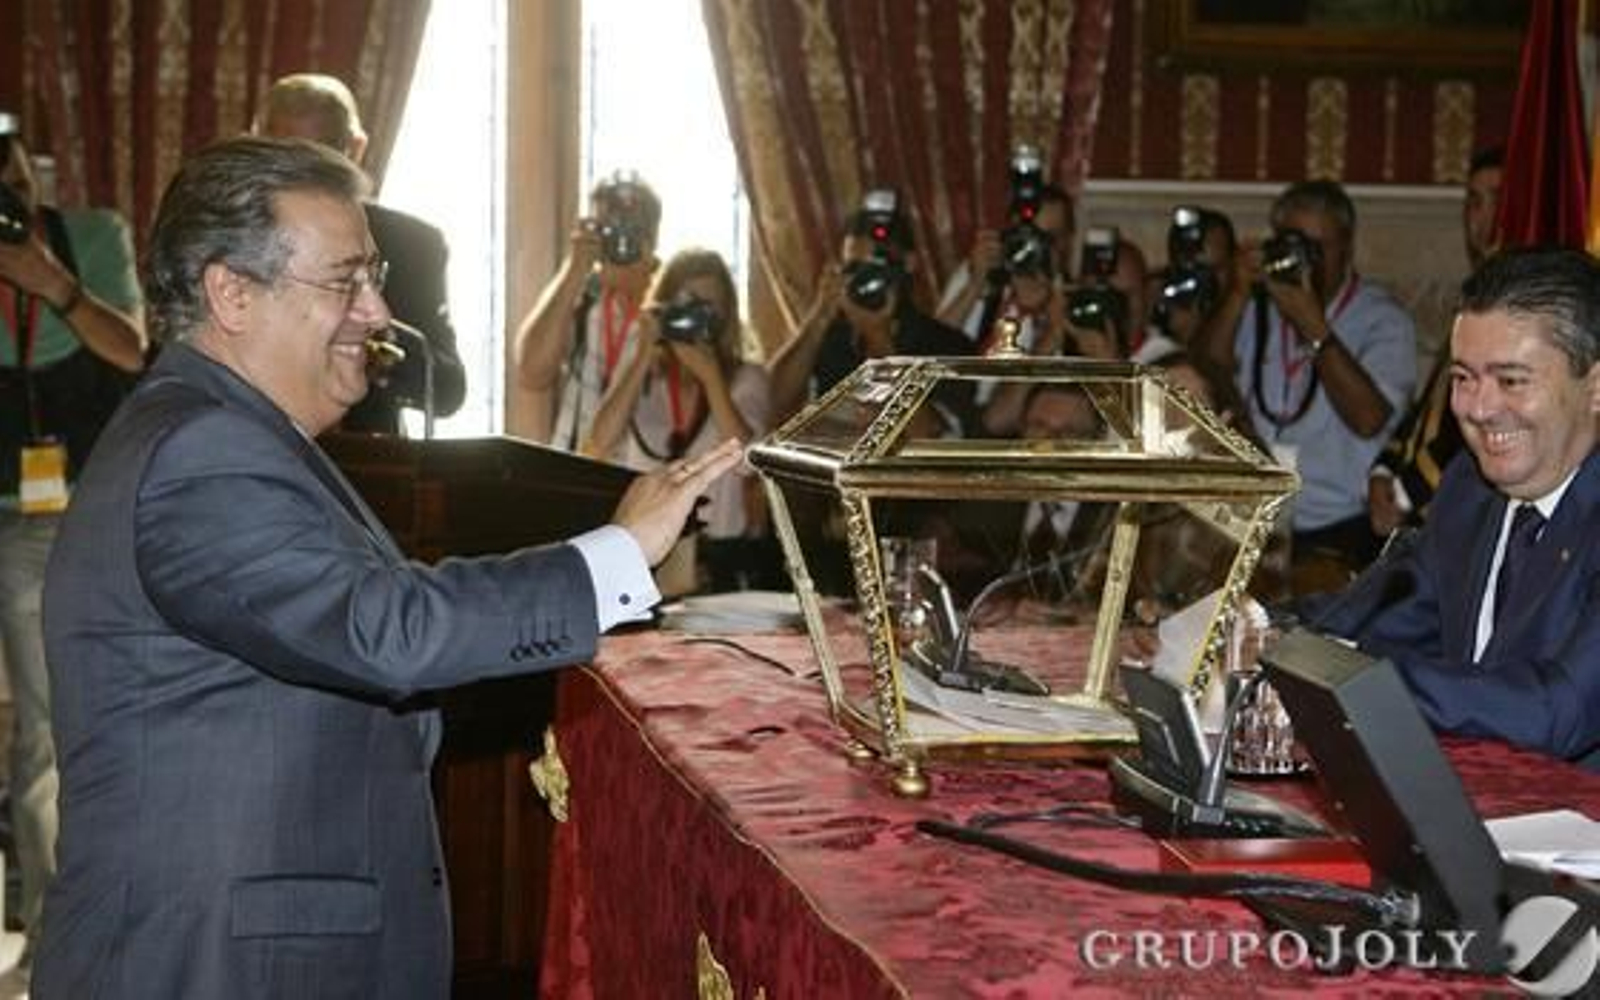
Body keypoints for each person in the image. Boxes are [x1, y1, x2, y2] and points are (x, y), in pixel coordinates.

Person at [32, 136, 740, 998]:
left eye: (375, 279)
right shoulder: (200, 448)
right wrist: (618, 555)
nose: (377, 313)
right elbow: (386, 629)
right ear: (231, 293)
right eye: (345, 282)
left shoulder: (232, 432)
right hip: (215, 962)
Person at [1313, 247, 1600, 768]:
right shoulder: (1470, 487)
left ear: (1596, 387)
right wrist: (1239, 630)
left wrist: (1354, 679)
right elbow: (1377, 614)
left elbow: (1555, 711)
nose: (1479, 409)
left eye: (1511, 380)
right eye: (1464, 378)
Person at [0, 110, 146, 967]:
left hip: (54, 520)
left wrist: (50, 282)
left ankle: (55, 940)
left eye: (16, 184)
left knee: (46, 735)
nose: (9, 204)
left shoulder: (89, 239)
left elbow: (133, 352)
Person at [1196, 179, 1417, 593]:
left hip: (1340, 531)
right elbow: (1205, 368)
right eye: (1293, 244)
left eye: (1318, 246)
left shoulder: (1383, 321)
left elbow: (1369, 419)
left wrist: (1313, 324)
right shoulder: (1260, 306)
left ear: (1348, 247)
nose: (1306, 259)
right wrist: (1238, 291)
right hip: (1254, 525)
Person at [255, 72, 467, 435]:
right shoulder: (227, 236)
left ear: (354, 150)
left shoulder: (410, 245)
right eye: (285, 156)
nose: (302, 175)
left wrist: (376, 347)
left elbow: (446, 388)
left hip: (368, 470)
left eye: (318, 156)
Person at [583, 248, 774, 592]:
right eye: (688, 302)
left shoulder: (747, 379)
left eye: (709, 305)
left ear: (727, 313)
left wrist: (712, 378)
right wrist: (642, 352)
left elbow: (749, 462)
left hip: (715, 563)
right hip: (640, 554)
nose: (697, 315)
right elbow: (599, 442)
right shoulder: (644, 375)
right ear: (665, 305)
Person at [1368, 146, 1505, 536]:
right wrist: (1384, 468)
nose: (1485, 217)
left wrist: (1404, 492)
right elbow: (1434, 403)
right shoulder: (1477, 292)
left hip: (1469, 515)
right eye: (1474, 201)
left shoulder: (1521, 310)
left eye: (1498, 199)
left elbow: (1486, 414)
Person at [767, 191, 975, 427]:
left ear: (910, 263)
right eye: (856, 267)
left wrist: (879, 340)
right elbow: (774, 402)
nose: (867, 277)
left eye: (879, 265)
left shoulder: (947, 345)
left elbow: (931, 437)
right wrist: (820, 316)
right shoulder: (834, 337)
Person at [514, 171, 662, 449]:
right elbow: (532, 373)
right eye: (612, 228)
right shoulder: (582, 301)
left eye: (634, 229)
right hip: (578, 474)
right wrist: (575, 267)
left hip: (648, 475)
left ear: (653, 237)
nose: (622, 240)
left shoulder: (667, 306)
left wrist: (643, 288)